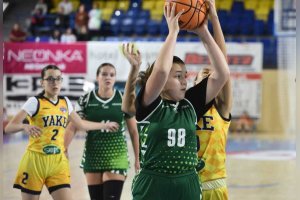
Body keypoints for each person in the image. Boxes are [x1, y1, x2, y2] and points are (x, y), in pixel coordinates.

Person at [131, 3, 229, 200]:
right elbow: (160, 71)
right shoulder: (150, 104)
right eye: (177, 76)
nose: (185, 81)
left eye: (185, 76)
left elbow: (222, 74)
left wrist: (204, 32)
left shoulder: (189, 105)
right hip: (153, 183)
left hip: (188, 183)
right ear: (164, 81)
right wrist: (173, 32)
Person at [4, 65, 119, 200]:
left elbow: (81, 124)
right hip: (35, 161)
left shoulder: (65, 102)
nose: (55, 83)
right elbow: (9, 128)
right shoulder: (34, 102)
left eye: (58, 79)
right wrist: (24, 127)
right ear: (42, 82)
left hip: (58, 161)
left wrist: (104, 125)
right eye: (50, 79)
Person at [64, 62, 140, 200]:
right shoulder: (86, 99)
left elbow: (134, 131)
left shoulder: (122, 99)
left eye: (112, 75)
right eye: (104, 74)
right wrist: (64, 148)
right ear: (97, 77)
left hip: (117, 156)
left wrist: (137, 158)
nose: (108, 77)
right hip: (93, 156)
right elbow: (73, 127)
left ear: (115, 78)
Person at [194, 0, 232, 199]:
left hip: (214, 185)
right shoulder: (186, 107)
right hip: (187, 184)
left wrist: (214, 17)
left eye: (212, 74)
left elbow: (222, 64)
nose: (210, 74)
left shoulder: (222, 109)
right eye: (204, 73)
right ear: (195, 83)